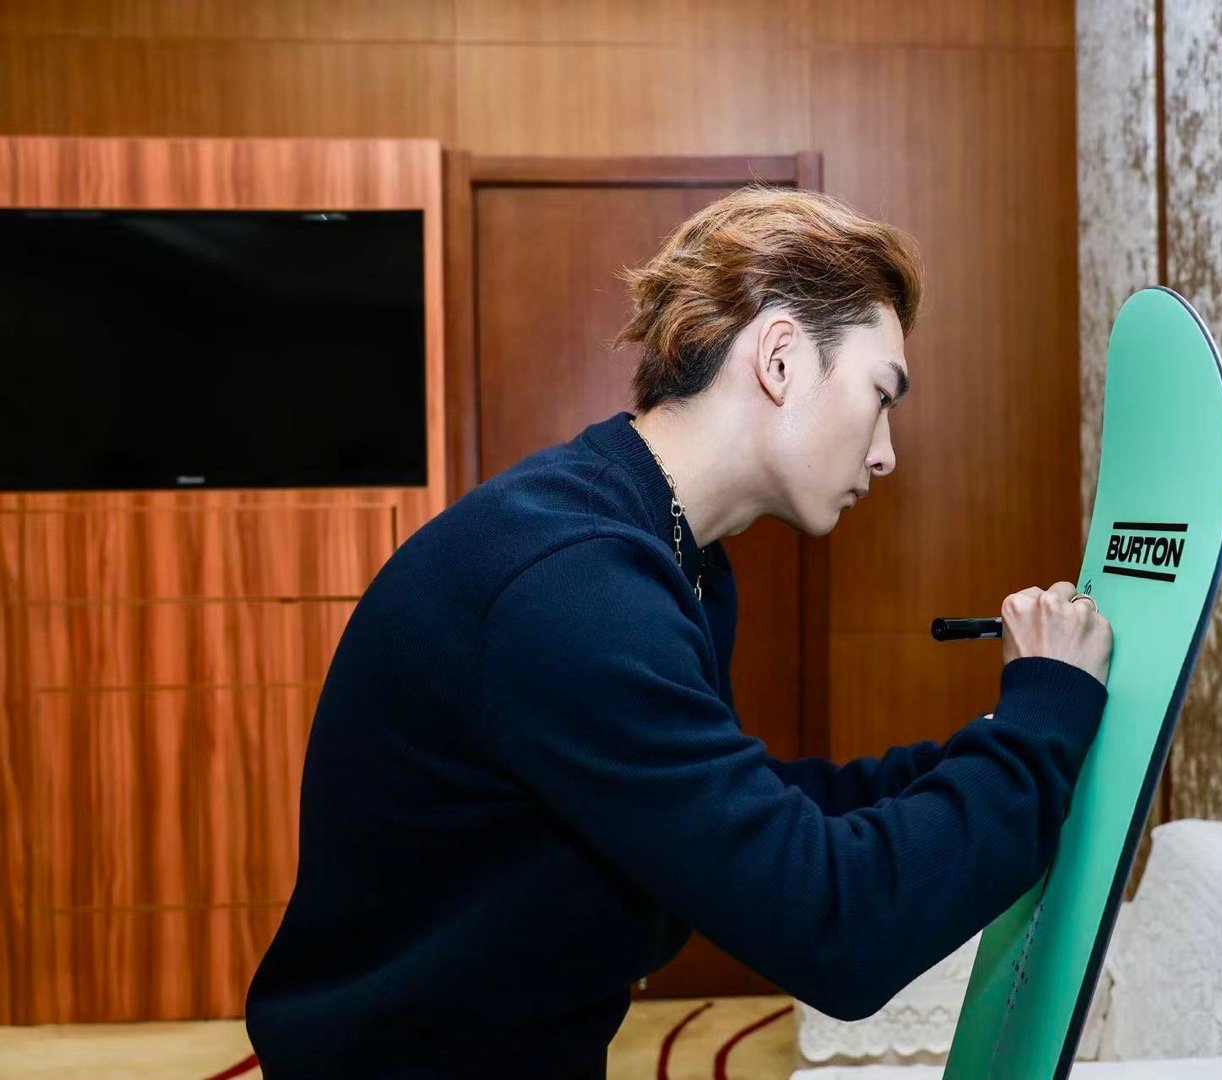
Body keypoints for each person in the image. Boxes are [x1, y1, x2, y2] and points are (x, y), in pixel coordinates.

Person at [244, 186, 1113, 1077]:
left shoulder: (668, 552)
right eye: (880, 394)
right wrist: (1041, 721)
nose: (886, 451)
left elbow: (734, 809)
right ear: (780, 357)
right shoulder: (577, 587)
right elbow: (841, 929)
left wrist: (995, 746)